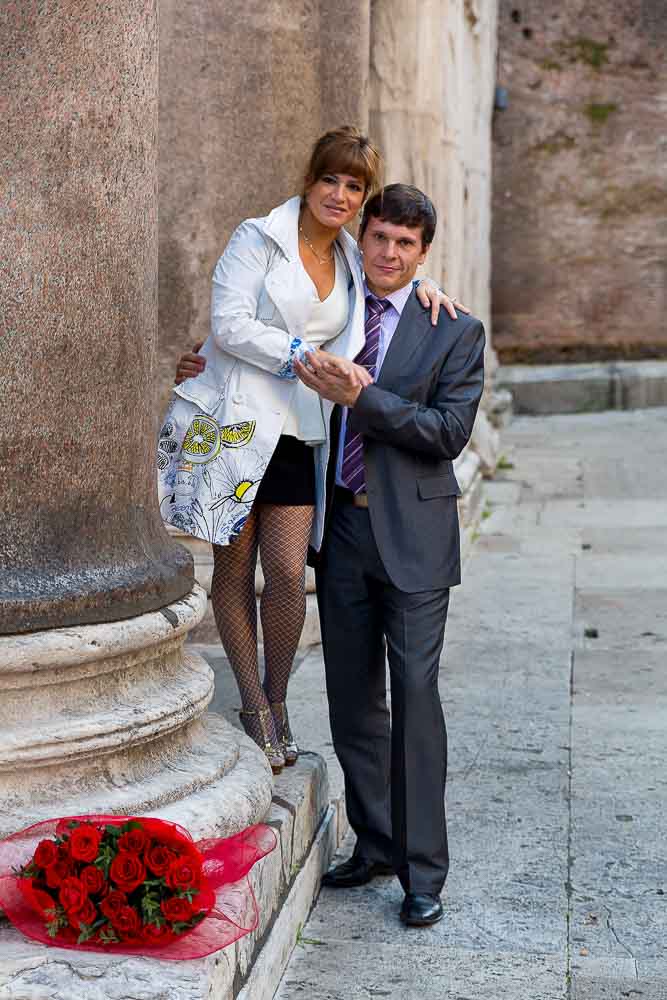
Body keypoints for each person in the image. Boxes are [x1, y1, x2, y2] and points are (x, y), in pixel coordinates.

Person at [160, 127, 462, 776]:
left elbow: (389, 279)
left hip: (302, 433)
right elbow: (231, 323)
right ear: (310, 179)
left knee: (288, 575)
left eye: (354, 186)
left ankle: (279, 698)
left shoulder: (354, 256)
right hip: (240, 431)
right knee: (234, 571)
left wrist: (425, 286)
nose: (340, 194)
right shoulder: (257, 237)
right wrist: (299, 355)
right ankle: (253, 707)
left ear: (362, 199)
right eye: (331, 179)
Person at [292, 183, 485, 928]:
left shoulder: (454, 331)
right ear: (361, 237)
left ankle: (423, 871)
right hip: (341, 531)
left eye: (406, 245)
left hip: (413, 538)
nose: (389, 254)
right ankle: (374, 841)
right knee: (351, 699)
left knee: (413, 698)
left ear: (423, 253)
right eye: (379, 238)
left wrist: (362, 397)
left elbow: (444, 433)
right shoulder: (334, 308)